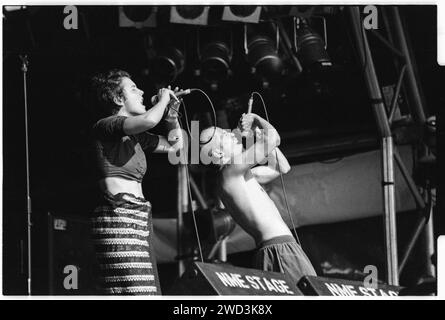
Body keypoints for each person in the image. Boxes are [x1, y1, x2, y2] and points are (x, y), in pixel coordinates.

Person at [90, 69, 183, 295]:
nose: (141, 92)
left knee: (148, 291)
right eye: (133, 88)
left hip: (138, 216)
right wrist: (162, 100)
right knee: (134, 291)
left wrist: (171, 117)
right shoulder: (106, 124)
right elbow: (150, 120)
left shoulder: (136, 136)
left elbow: (176, 147)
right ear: (117, 98)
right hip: (118, 215)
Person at [199, 113, 316, 285]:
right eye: (223, 136)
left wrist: (259, 134)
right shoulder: (229, 172)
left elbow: (282, 167)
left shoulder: (243, 176)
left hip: (281, 247)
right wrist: (256, 119)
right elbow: (273, 138)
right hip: (279, 249)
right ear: (218, 153)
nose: (231, 134)